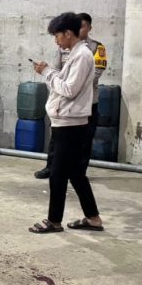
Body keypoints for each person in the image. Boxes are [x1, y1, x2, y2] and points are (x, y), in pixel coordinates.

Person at [28, 12, 104, 234]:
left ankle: (54, 221)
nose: (56, 40)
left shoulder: (82, 55)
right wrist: (50, 72)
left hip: (70, 123)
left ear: (68, 33)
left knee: (58, 174)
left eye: (57, 35)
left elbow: (69, 89)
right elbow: (65, 82)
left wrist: (47, 73)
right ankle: (93, 218)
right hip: (67, 120)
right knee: (75, 173)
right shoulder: (75, 53)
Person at [34, 12, 107, 179]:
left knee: (82, 145)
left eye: (83, 26)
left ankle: (78, 171)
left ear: (89, 28)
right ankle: (52, 167)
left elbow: (88, 78)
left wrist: (54, 76)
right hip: (65, 108)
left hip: (82, 104)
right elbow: (59, 71)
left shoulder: (92, 49)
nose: (56, 40)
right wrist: (50, 73)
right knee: (57, 146)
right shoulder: (66, 49)